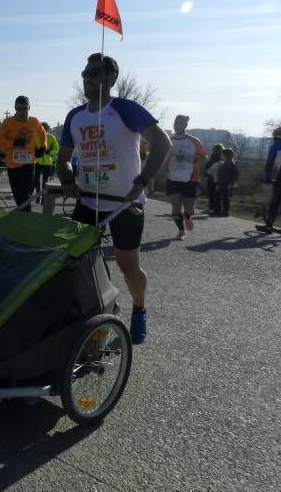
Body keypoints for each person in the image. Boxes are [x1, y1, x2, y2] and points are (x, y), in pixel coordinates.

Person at [56, 53, 171, 344]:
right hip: (89, 201)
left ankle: (139, 309)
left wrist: (142, 181)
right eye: (84, 73)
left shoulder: (124, 109)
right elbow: (63, 158)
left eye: (94, 73)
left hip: (125, 203)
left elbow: (162, 143)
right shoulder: (75, 116)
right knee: (77, 261)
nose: (87, 78)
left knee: (126, 264)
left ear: (111, 78)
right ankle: (96, 311)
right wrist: (68, 180)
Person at [0, 96, 46, 211]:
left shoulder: (34, 122)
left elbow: (43, 134)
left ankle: (25, 217)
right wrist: (13, 142)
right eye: (19, 109)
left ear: (29, 108)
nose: (22, 112)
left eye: (24, 108)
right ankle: (24, 215)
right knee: (18, 196)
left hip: (29, 163)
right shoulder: (8, 123)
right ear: (15, 109)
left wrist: (43, 147)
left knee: (26, 194)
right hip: (12, 165)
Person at [165, 115, 206, 239]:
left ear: (185, 125)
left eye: (180, 123)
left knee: (189, 208)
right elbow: (161, 156)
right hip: (172, 178)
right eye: (175, 123)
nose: (177, 125)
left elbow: (204, 157)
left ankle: (188, 216)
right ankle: (181, 231)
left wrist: (195, 158)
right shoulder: (168, 141)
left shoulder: (194, 141)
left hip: (191, 179)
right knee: (176, 208)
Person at [33, 122, 59, 203]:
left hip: (47, 162)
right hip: (38, 161)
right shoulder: (35, 137)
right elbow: (31, 147)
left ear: (47, 129)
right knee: (36, 180)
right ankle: (38, 197)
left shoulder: (51, 137)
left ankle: (43, 198)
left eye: (45, 128)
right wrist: (35, 151)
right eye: (41, 128)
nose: (43, 129)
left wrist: (49, 152)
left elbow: (56, 149)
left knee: (45, 181)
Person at [215, 148, 238, 217]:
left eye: (223, 154)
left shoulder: (227, 163)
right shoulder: (231, 162)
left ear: (225, 155)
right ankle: (224, 212)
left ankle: (219, 211)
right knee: (225, 198)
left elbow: (222, 174)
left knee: (220, 197)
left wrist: (219, 183)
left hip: (224, 182)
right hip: (227, 182)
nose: (221, 155)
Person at [204, 143, 224, 215]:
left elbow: (207, 166)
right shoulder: (222, 158)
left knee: (211, 193)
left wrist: (206, 172)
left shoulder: (214, 157)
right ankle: (215, 208)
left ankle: (212, 208)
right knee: (216, 194)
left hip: (212, 177)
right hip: (219, 178)